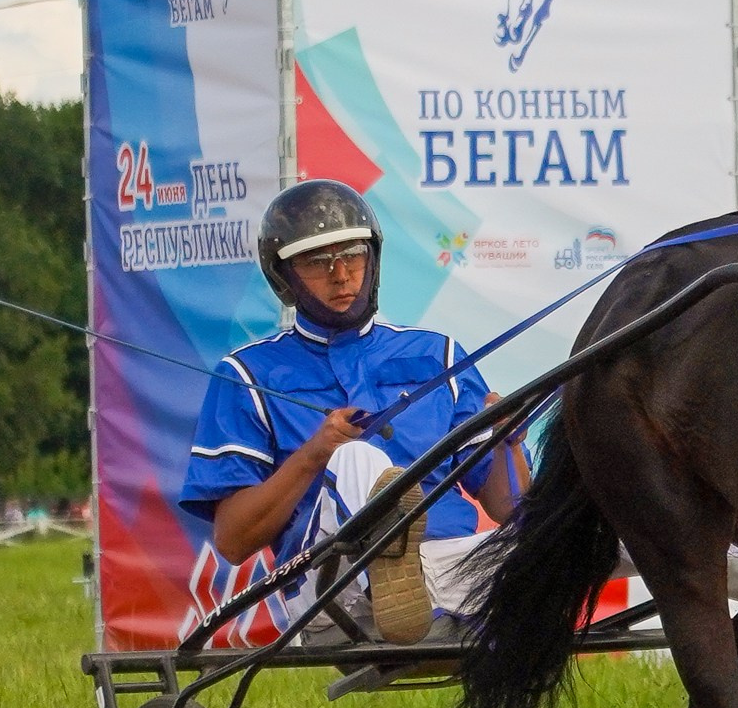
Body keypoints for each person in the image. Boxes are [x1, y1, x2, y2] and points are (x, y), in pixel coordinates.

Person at [178, 181, 528, 642]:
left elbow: (510, 509)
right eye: (317, 262)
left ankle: (428, 595)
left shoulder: (438, 355)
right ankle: (396, 582)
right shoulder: (247, 374)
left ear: (373, 257)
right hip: (331, 591)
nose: (341, 274)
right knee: (355, 458)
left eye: (353, 254)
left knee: (599, 515)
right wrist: (314, 455)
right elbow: (233, 541)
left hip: (450, 566)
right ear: (285, 276)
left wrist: (507, 440)